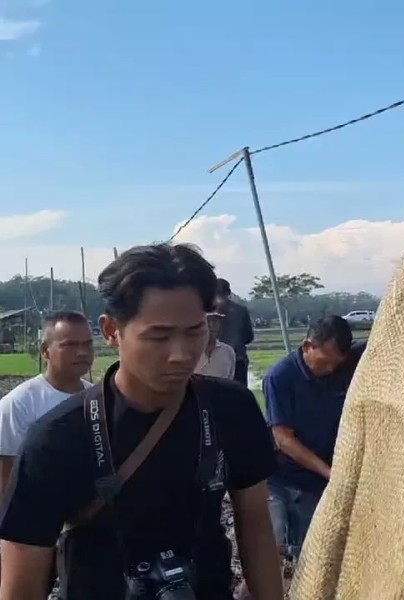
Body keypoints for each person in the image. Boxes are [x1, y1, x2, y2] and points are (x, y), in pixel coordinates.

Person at [0, 244, 284, 600]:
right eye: (159, 336)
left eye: (195, 331)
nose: (181, 354)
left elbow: (255, 523)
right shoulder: (57, 439)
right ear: (110, 330)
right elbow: (23, 580)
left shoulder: (231, 409)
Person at [263, 315, 365, 560]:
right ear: (308, 346)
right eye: (324, 362)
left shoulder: (342, 368)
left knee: (309, 553)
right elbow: (283, 439)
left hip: (314, 484)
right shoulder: (279, 377)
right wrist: (330, 472)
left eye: (335, 364)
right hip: (278, 478)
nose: (329, 369)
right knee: (267, 552)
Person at [0, 311, 94, 496]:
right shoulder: (19, 404)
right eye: (70, 345)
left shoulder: (98, 398)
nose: (82, 352)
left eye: (88, 344)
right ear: (45, 351)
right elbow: (6, 478)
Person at [214, 278, 255, 386]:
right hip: (238, 358)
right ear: (228, 293)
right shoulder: (241, 310)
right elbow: (249, 336)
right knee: (239, 395)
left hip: (216, 358)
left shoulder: (208, 310)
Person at [196, 311, 237, 380]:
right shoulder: (190, 350)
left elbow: (230, 381)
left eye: (215, 321)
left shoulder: (228, 352)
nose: (211, 325)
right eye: (207, 321)